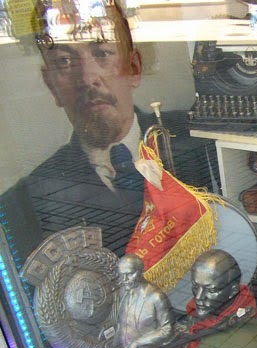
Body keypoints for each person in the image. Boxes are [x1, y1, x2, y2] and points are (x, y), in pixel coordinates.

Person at [0, 1, 215, 269]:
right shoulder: (23, 204)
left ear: (133, 68)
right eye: (64, 61)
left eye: (102, 53)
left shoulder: (201, 136)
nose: (87, 78)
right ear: (51, 84)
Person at [181, 249, 257, 348]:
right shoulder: (194, 312)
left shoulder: (243, 323)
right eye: (196, 286)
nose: (198, 297)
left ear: (233, 291)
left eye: (211, 290)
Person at [116, 253, 175, 348]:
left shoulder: (156, 297)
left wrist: (138, 342)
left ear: (141, 272)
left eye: (129, 274)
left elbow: (167, 330)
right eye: (121, 274)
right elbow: (121, 324)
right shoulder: (123, 291)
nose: (124, 279)